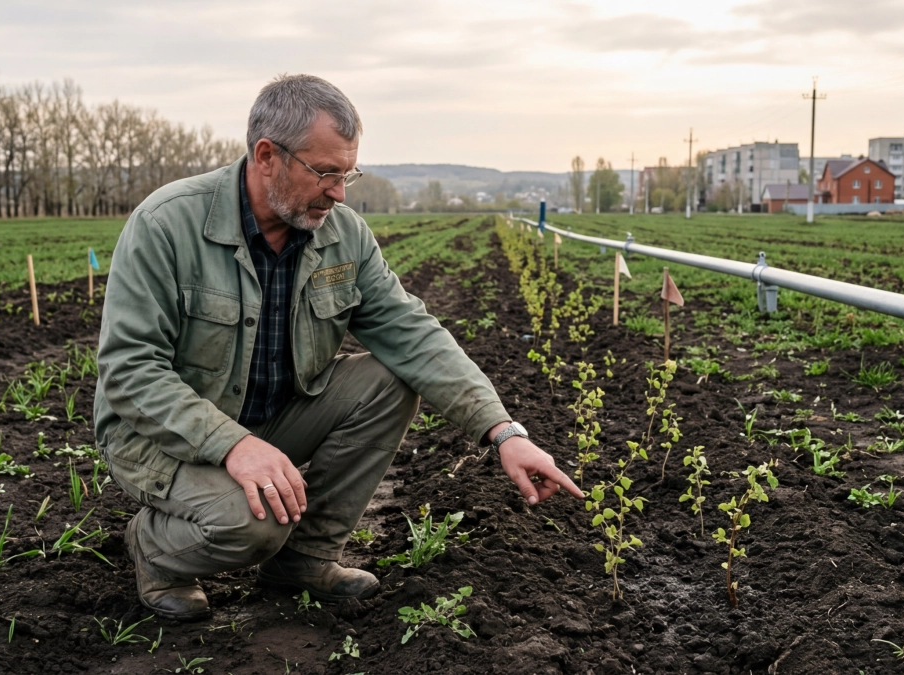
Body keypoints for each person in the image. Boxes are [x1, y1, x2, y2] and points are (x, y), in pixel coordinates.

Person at [93, 74, 582, 621]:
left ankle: (303, 562)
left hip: (268, 420)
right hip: (160, 436)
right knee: (255, 523)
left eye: (347, 173)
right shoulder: (167, 225)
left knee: (391, 379)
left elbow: (413, 334)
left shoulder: (342, 235)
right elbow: (130, 369)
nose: (340, 192)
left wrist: (503, 432)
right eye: (325, 173)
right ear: (266, 156)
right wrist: (232, 445)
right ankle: (156, 550)